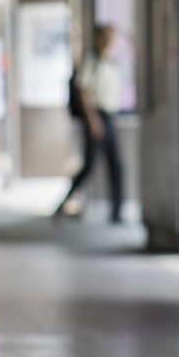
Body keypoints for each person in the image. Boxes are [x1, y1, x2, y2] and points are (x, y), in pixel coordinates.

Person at [55, 24, 123, 223]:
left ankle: (116, 212)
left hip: (111, 116)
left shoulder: (112, 62)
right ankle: (64, 202)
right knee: (89, 166)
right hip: (96, 116)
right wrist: (92, 120)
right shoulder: (91, 60)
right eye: (106, 37)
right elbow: (82, 90)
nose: (110, 41)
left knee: (116, 166)